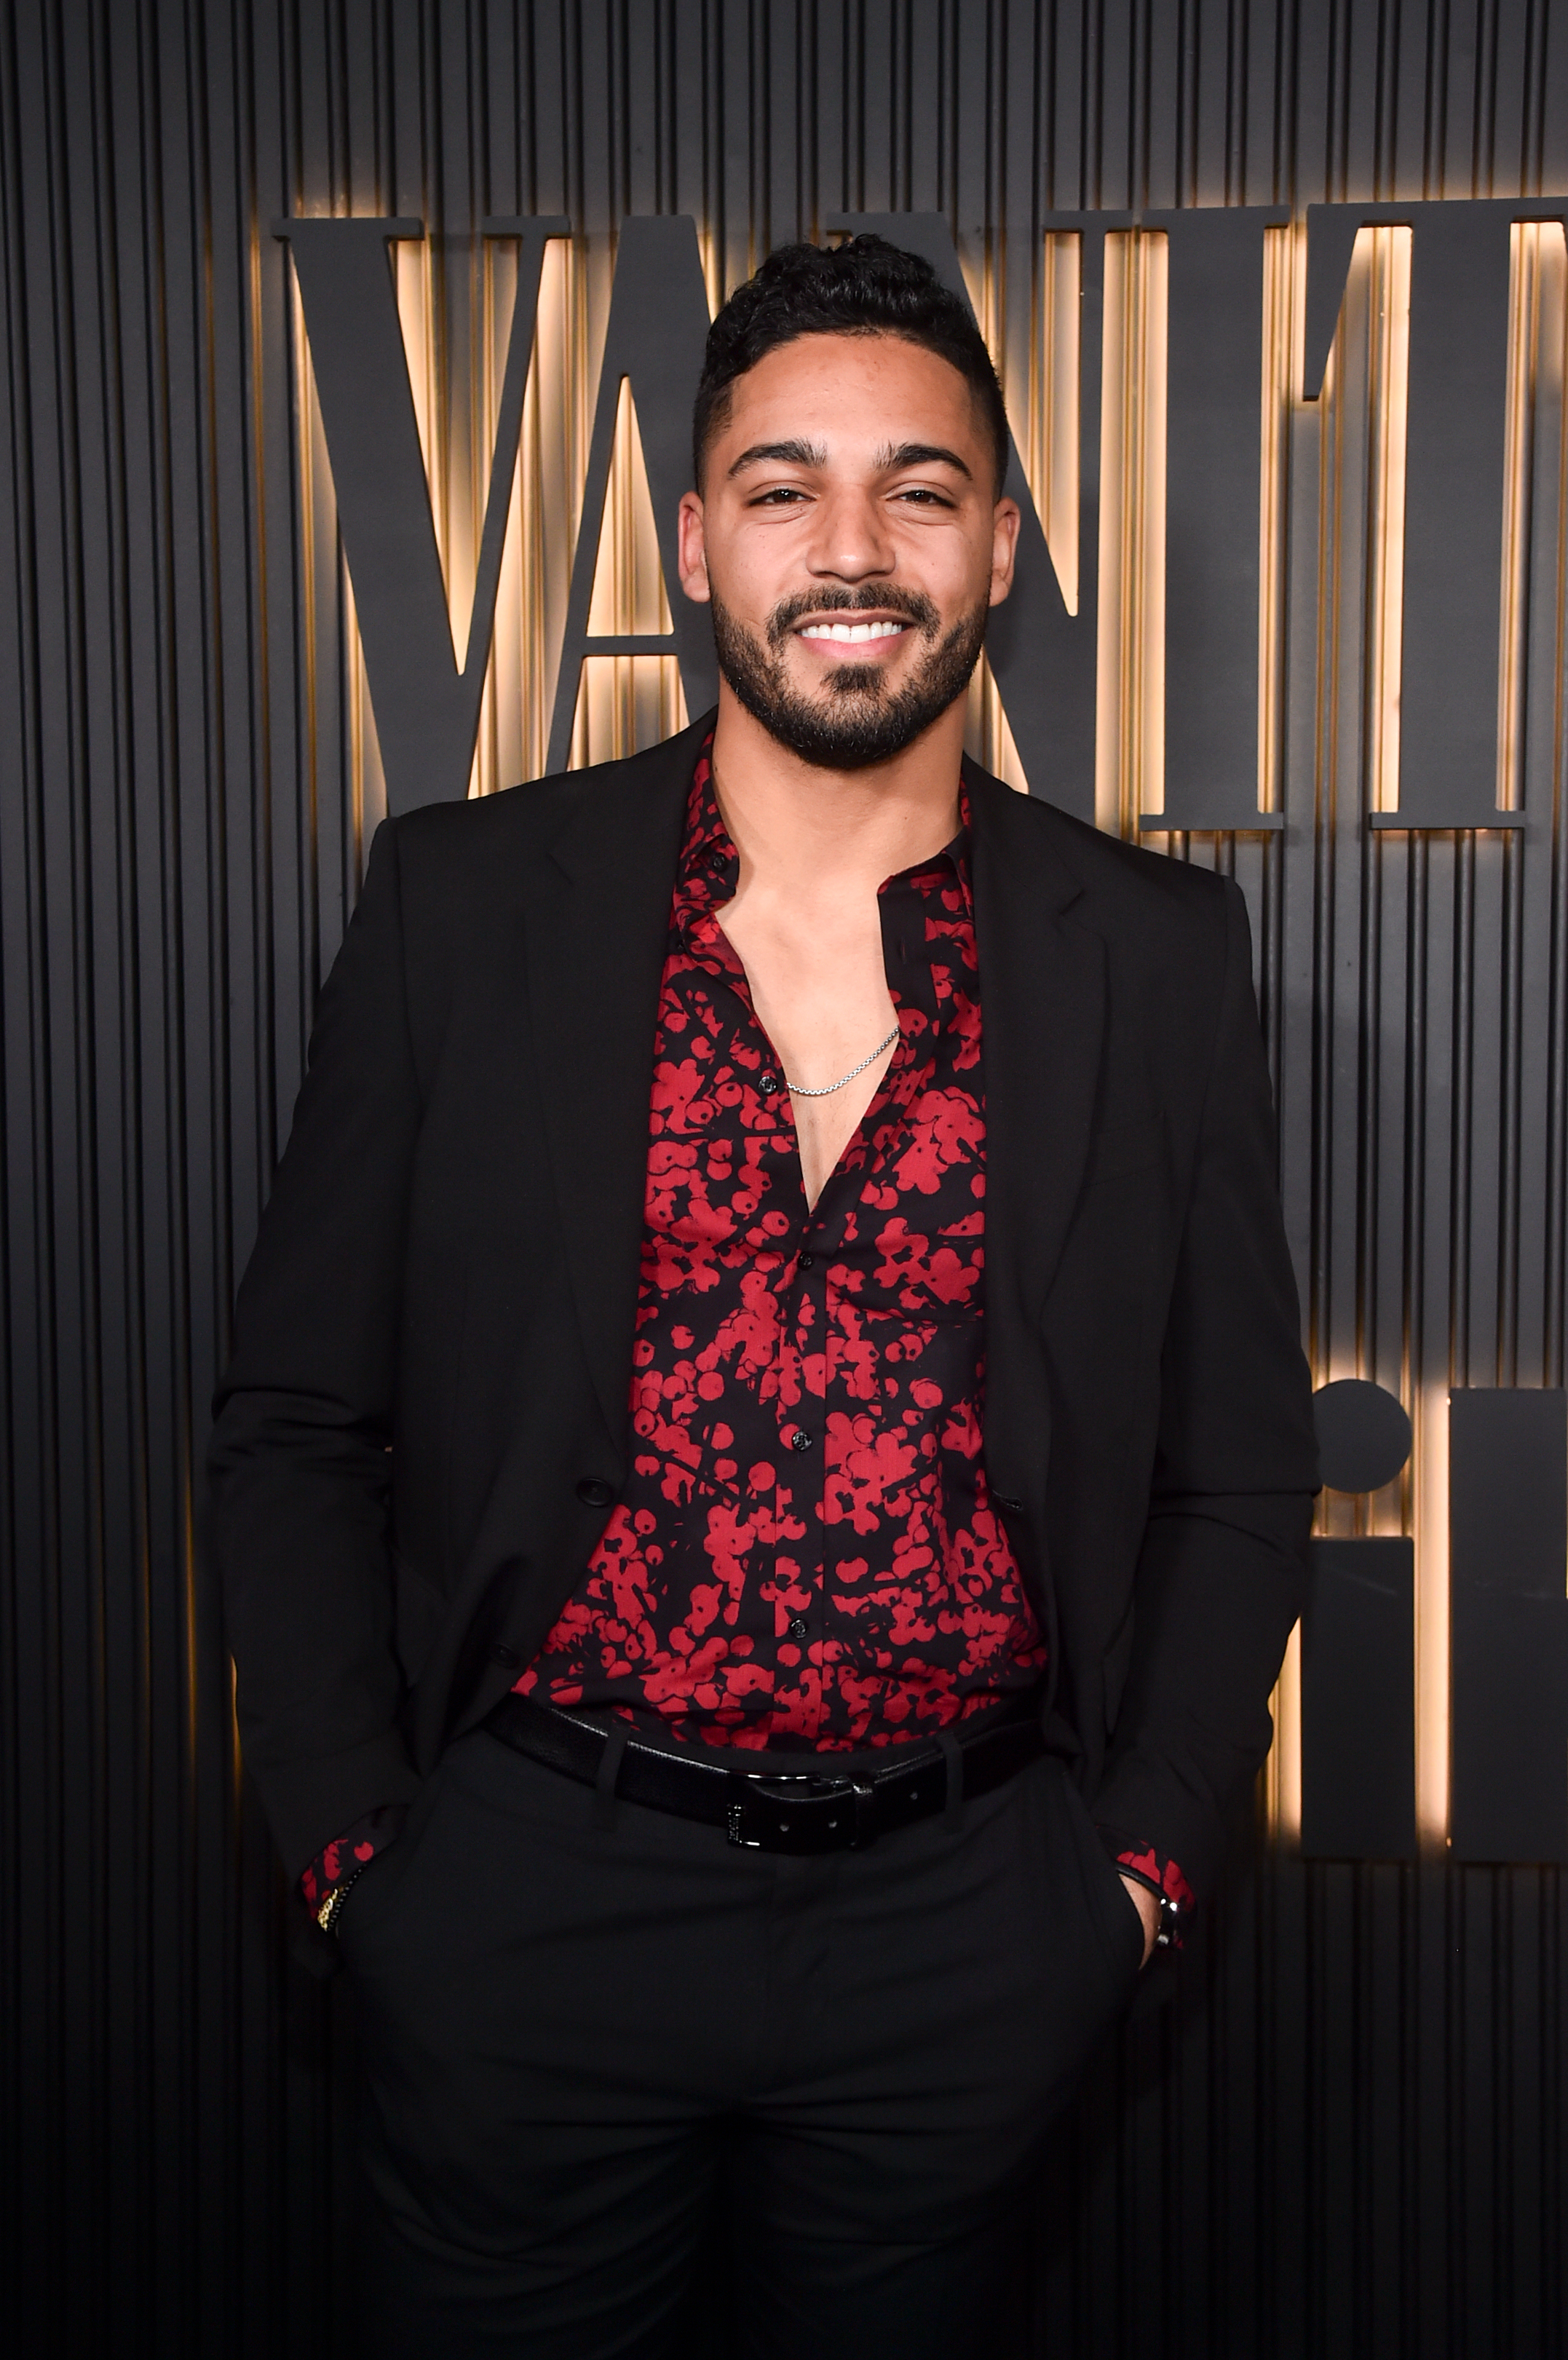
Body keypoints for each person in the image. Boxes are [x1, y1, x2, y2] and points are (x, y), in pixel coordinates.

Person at [209, 235, 1318, 2357]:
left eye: (917, 485)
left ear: (999, 543)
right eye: (784, 481)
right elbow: (294, 1422)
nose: (850, 543)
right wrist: (366, 1852)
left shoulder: (1154, 951)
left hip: (965, 1919)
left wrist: (1132, 1876)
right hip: (531, 1891)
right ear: (693, 534)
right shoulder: (461, 902)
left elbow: (1238, 1468)